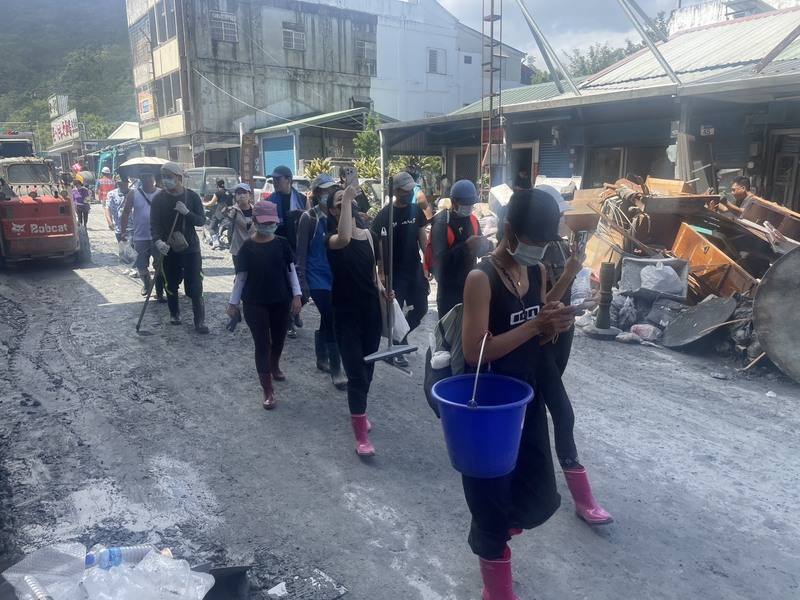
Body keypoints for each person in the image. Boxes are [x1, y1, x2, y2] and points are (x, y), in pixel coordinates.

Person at [460, 188, 577, 599]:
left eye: (546, 243)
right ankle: (496, 591)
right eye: (533, 240)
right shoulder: (482, 277)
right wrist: (532, 326)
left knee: (533, 487)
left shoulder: (538, 271)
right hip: (490, 407)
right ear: (509, 230)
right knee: (489, 502)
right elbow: (476, 351)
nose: (540, 249)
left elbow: (537, 329)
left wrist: (553, 324)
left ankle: (498, 541)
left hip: (525, 400)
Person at [535, 184, 613, 527]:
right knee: (563, 415)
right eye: (556, 216)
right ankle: (583, 500)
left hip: (561, 338)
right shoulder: (529, 254)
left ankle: (538, 485)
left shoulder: (558, 245)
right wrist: (567, 277)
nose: (562, 221)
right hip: (537, 345)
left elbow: (565, 293)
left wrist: (583, 297)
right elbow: (534, 310)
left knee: (536, 414)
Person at [327, 185, 389, 456]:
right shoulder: (331, 239)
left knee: (368, 369)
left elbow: (374, 274)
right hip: (345, 314)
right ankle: (361, 437)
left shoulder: (369, 235)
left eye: (347, 201)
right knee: (355, 373)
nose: (345, 205)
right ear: (332, 210)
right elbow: (344, 237)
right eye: (339, 203)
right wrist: (349, 197)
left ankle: (360, 412)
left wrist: (383, 290)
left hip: (371, 313)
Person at [226, 201, 302, 409]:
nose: (269, 225)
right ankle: (267, 389)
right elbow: (240, 278)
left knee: (278, 339)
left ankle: (274, 364)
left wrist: (297, 295)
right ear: (256, 221)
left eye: (272, 222)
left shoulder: (282, 244)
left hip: (281, 300)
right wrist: (233, 304)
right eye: (265, 222)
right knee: (261, 344)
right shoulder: (247, 248)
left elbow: (291, 271)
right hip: (254, 302)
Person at [371, 171, 429, 367]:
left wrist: (428, 264)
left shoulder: (416, 211)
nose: (409, 193)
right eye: (405, 190)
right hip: (394, 273)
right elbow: (378, 245)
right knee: (394, 313)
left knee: (421, 309)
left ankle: (399, 338)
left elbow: (423, 240)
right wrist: (381, 273)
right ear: (395, 191)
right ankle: (395, 346)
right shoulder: (384, 215)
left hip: (415, 269)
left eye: (411, 189)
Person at [297, 174, 347, 390]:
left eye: (331, 190)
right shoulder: (309, 218)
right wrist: (302, 284)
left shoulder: (339, 215)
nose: (328, 194)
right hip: (316, 277)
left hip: (337, 275)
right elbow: (301, 253)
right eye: (324, 190)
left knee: (330, 316)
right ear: (317, 193)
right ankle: (337, 368)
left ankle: (321, 356)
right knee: (333, 316)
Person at [151, 162, 209, 333]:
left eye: (169, 177)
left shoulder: (191, 197)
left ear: (179, 177)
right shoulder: (158, 199)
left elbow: (201, 220)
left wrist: (187, 213)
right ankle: (174, 313)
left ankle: (200, 321)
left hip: (191, 248)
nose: (166, 180)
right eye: (164, 177)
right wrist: (157, 241)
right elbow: (154, 224)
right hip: (168, 248)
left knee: (195, 284)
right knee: (171, 283)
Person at [430, 179, 492, 318]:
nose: (469, 207)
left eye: (471, 204)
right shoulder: (441, 223)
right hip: (448, 289)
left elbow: (478, 249)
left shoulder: (473, 220)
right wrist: (466, 246)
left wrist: (486, 246)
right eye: (465, 203)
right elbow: (439, 262)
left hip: (469, 283)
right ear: (453, 202)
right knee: (449, 334)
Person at [266, 165, 308, 339]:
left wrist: (301, 215)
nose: (275, 182)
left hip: (298, 248)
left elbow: (309, 220)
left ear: (288, 180)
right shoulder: (270, 200)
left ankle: (296, 309)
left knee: (303, 287)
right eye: (273, 179)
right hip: (278, 248)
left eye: (278, 179)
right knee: (284, 285)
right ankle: (289, 320)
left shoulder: (301, 198)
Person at [121, 171, 165, 301]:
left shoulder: (161, 193)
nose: (147, 180)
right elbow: (125, 213)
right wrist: (123, 231)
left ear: (153, 179)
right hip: (140, 236)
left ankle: (159, 292)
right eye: (144, 177)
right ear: (141, 179)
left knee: (160, 266)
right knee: (141, 265)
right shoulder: (133, 193)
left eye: (149, 177)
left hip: (158, 236)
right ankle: (147, 283)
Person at [226, 183, 255, 268]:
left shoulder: (256, 210)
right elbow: (228, 219)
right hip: (238, 249)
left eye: (244, 192)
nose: (242, 195)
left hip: (253, 249)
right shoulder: (233, 211)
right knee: (240, 276)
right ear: (235, 196)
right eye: (239, 193)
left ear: (249, 195)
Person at [203, 179, 234, 249]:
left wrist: (204, 203)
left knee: (211, 228)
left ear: (217, 186)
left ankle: (216, 242)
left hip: (219, 213)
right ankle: (228, 242)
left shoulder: (218, 193)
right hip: (229, 212)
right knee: (228, 227)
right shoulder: (229, 192)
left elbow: (211, 203)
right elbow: (232, 202)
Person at [105, 175, 130, 242]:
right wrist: (109, 222)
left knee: (133, 250)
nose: (123, 185)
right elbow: (108, 208)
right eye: (120, 183)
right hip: (119, 228)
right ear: (117, 184)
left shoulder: (133, 193)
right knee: (122, 249)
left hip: (132, 228)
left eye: (125, 183)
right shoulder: (112, 194)